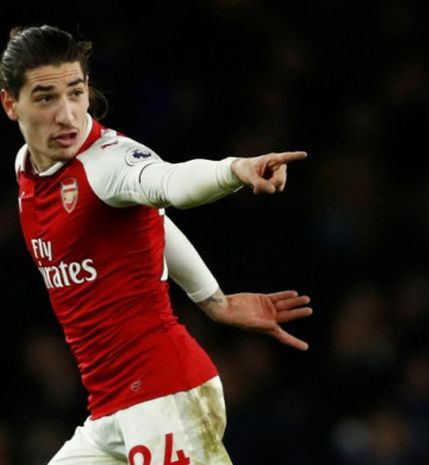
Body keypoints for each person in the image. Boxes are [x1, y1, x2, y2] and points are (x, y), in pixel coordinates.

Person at [1, 25, 313, 465]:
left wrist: (234, 169)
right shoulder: (27, 169)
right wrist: (214, 301)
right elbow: (154, 223)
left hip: (165, 396)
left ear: (88, 90)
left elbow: (168, 184)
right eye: (46, 97)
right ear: (11, 104)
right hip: (108, 409)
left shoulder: (109, 162)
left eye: (75, 92)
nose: (67, 114)